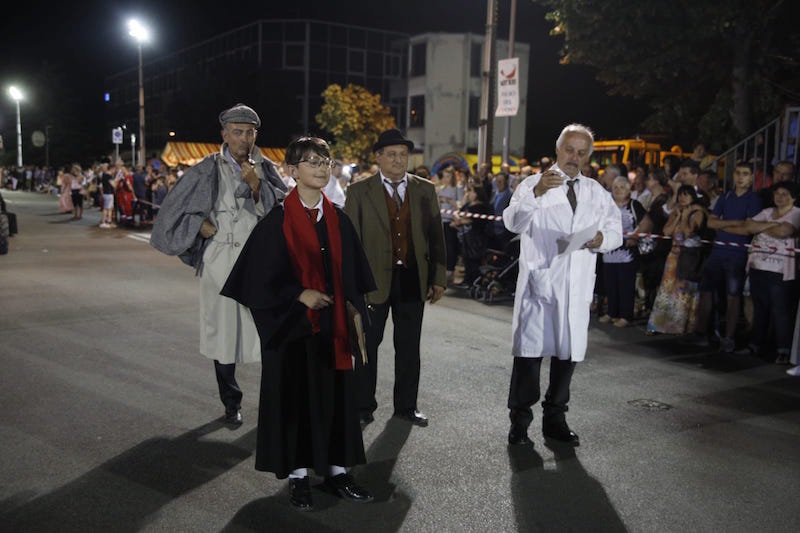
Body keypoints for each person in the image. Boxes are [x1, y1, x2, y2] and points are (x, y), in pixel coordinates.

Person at [221, 136, 376, 511]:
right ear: (291, 172)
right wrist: (298, 294)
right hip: (292, 331)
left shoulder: (338, 219)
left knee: (338, 401)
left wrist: (354, 308)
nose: (321, 168)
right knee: (295, 404)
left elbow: (355, 276)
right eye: (311, 162)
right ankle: (299, 477)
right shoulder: (276, 222)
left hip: (333, 329)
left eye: (325, 161)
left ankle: (339, 472)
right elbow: (257, 279)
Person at [150, 103, 286, 424]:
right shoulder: (204, 169)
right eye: (237, 132)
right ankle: (231, 401)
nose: (243, 139)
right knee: (223, 337)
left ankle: (275, 401)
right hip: (220, 260)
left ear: (256, 135)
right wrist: (198, 225)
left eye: (249, 133)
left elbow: (285, 208)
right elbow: (173, 210)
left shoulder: (266, 168)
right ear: (224, 134)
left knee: (271, 333)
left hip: (260, 261)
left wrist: (256, 185)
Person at [503, 123, 622, 447]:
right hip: (541, 285)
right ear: (558, 150)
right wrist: (537, 193)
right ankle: (520, 423)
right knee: (528, 359)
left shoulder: (596, 192)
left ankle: (555, 419)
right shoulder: (532, 183)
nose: (575, 157)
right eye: (570, 150)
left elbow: (616, 230)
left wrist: (601, 239)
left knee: (566, 358)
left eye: (582, 153)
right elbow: (512, 221)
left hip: (576, 286)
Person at [344, 128, 447, 428]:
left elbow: (436, 239)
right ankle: (363, 405)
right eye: (391, 154)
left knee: (409, 348)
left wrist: (438, 277)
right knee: (366, 347)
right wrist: (354, 286)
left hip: (413, 278)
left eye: (403, 154)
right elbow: (351, 244)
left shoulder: (425, 189)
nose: (398, 160)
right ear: (378, 157)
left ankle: (406, 406)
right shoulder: (359, 192)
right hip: (372, 281)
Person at [718, 182, 800, 364]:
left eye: (785, 194)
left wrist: (761, 226)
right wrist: (770, 225)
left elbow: (785, 231)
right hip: (758, 267)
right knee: (759, 309)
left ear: (793, 197)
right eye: (777, 193)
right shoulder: (768, 211)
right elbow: (748, 226)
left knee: (781, 311)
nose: (780, 197)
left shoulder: (797, 214)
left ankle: (783, 350)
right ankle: (754, 345)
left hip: (780, 271)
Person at [694, 161, 761, 352]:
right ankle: (701, 333)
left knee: (733, 296)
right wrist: (736, 224)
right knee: (706, 291)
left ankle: (729, 338)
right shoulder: (726, 196)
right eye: (738, 172)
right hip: (718, 251)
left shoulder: (754, 199)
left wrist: (724, 224)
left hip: (737, 253)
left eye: (745, 173)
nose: (740, 177)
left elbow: (748, 229)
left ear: (751, 177)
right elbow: (711, 224)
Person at [646, 186, 708, 335]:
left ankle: (681, 326)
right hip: (673, 257)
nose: (682, 198)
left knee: (683, 292)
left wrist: (686, 217)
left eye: (686, 195)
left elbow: (688, 232)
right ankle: (660, 325)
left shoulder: (698, 213)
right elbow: (666, 231)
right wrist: (679, 216)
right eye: (680, 195)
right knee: (667, 291)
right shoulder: (676, 212)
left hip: (689, 257)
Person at [599, 176, 646, 327]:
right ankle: (612, 312)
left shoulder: (635, 205)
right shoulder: (607, 205)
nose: (618, 190)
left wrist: (634, 237)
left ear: (628, 190)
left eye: (621, 187)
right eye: (615, 187)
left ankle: (626, 315)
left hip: (627, 253)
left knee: (625, 285)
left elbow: (647, 223)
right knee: (611, 284)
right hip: (609, 252)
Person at [451, 179, 492, 288]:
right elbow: (460, 211)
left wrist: (461, 221)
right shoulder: (468, 204)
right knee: (466, 260)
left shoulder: (481, 207)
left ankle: (475, 282)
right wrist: (465, 196)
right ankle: (467, 280)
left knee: (474, 261)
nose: (469, 194)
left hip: (476, 238)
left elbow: (474, 220)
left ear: (478, 194)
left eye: (472, 192)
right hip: (466, 238)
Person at [438, 166, 463, 283]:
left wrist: (448, 200)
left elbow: (460, 205)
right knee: (441, 248)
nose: (446, 179)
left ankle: (450, 271)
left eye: (448, 176)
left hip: (451, 221)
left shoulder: (456, 189)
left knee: (450, 247)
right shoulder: (440, 188)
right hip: (441, 220)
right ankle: (442, 270)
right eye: (444, 176)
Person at [99, 161, 115, 228]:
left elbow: (101, 186)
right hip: (109, 193)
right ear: (111, 169)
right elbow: (114, 185)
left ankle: (109, 221)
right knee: (107, 208)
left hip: (105, 193)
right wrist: (118, 180)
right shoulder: (109, 176)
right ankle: (104, 222)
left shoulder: (103, 175)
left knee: (109, 208)